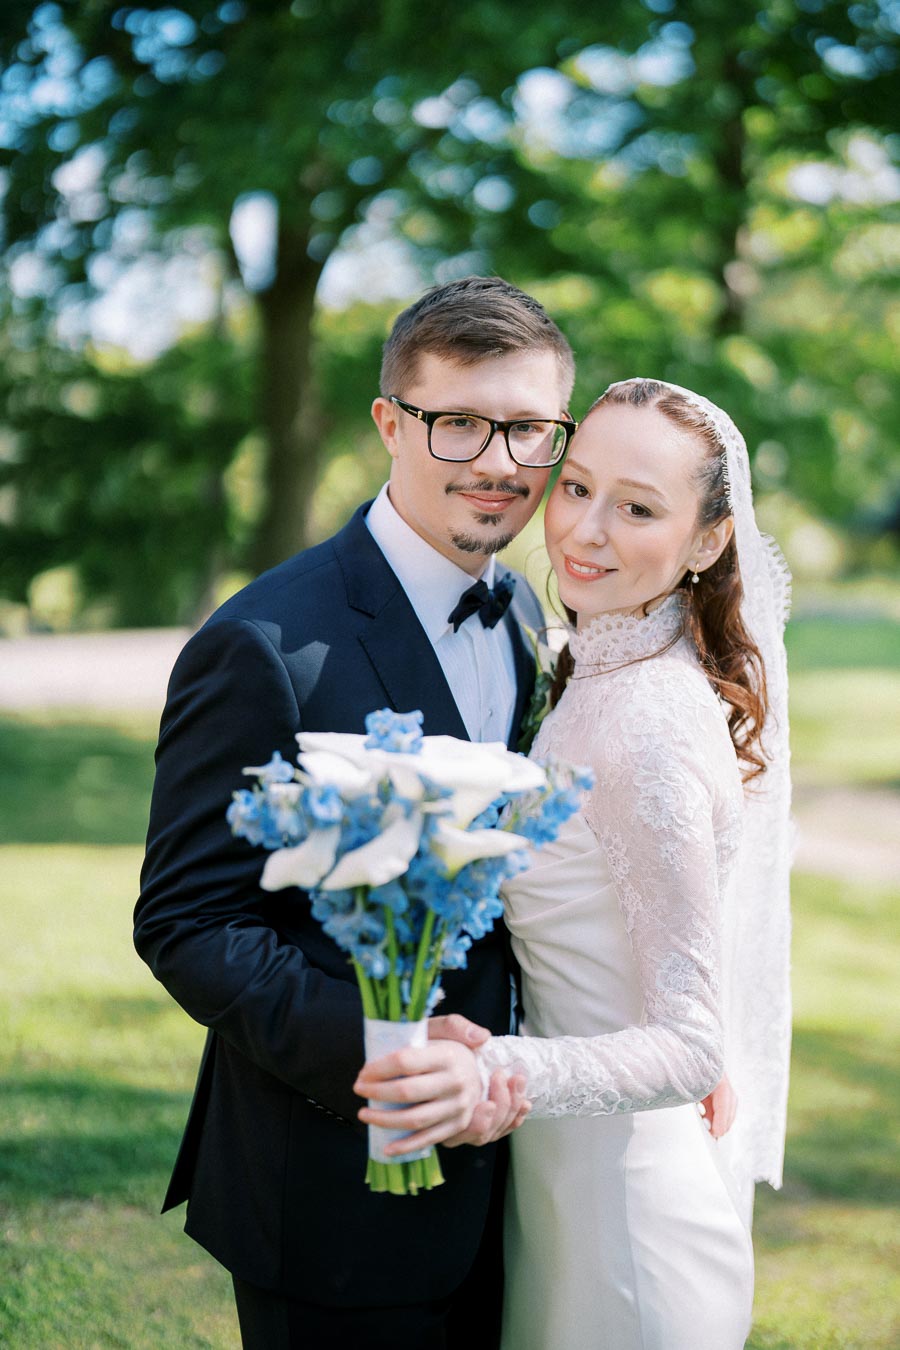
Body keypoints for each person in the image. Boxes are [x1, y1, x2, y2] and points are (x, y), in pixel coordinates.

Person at [133, 275, 577, 1350]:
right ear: (390, 422)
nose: (498, 463)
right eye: (458, 422)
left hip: (510, 1174)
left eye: (528, 429)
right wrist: (386, 1046)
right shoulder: (265, 644)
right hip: (328, 1181)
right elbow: (188, 923)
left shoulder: (523, 608)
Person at [357, 377, 792, 1350]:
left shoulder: (651, 724)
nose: (585, 532)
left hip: (628, 1219)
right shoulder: (596, 669)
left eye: (637, 508)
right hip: (566, 1180)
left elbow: (692, 1046)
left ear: (709, 540)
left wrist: (493, 1073)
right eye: (577, 487)